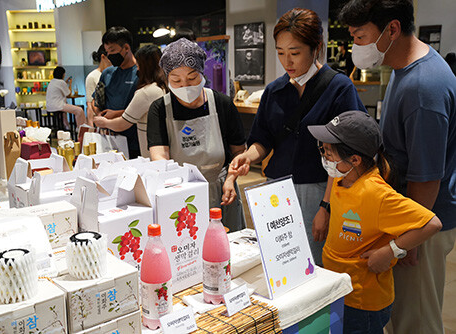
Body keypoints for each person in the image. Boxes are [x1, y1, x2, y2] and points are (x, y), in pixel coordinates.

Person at [340, 1, 456, 333]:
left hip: (422, 220)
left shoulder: (424, 87)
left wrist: (407, 242)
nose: (355, 47)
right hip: (404, 217)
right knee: (400, 313)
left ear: (392, 29)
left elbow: (427, 175)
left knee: (414, 320)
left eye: (360, 37)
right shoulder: (402, 68)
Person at [227, 8, 366, 265]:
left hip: (320, 189)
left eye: (295, 53)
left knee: (315, 264)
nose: (287, 62)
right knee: (280, 262)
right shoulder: (275, 91)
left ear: (316, 47)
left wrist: (325, 206)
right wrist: (248, 156)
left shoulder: (338, 88)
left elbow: (347, 155)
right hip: (277, 189)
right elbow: (263, 139)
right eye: (280, 53)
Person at [308, 110, 442, 334]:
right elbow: (335, 172)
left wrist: (392, 251)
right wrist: (324, 208)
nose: (324, 158)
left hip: (362, 302)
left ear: (355, 159)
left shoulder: (376, 193)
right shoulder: (343, 177)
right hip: (341, 290)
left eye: (328, 152)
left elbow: (432, 224)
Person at [146, 38, 247, 232]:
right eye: (176, 80)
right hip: (180, 194)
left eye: (192, 78)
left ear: (202, 74)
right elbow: (159, 158)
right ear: (167, 80)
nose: (184, 85)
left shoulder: (222, 104)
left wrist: (231, 179)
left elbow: (238, 153)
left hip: (222, 191)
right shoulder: (159, 110)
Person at [93, 45, 167, 158]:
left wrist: (103, 122)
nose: (137, 69)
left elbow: (123, 123)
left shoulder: (146, 92)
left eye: (138, 65)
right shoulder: (165, 87)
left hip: (151, 153)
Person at [92, 26, 140, 158]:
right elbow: (96, 101)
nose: (109, 55)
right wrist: (100, 115)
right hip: (108, 140)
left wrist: (116, 114)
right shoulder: (107, 73)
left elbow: (145, 109)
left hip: (135, 141)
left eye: (112, 50)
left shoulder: (140, 73)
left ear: (126, 48)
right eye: (107, 51)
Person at [85, 44, 111, 127]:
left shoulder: (114, 74)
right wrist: (91, 125)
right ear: (103, 57)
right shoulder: (92, 76)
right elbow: (89, 103)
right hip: (99, 119)